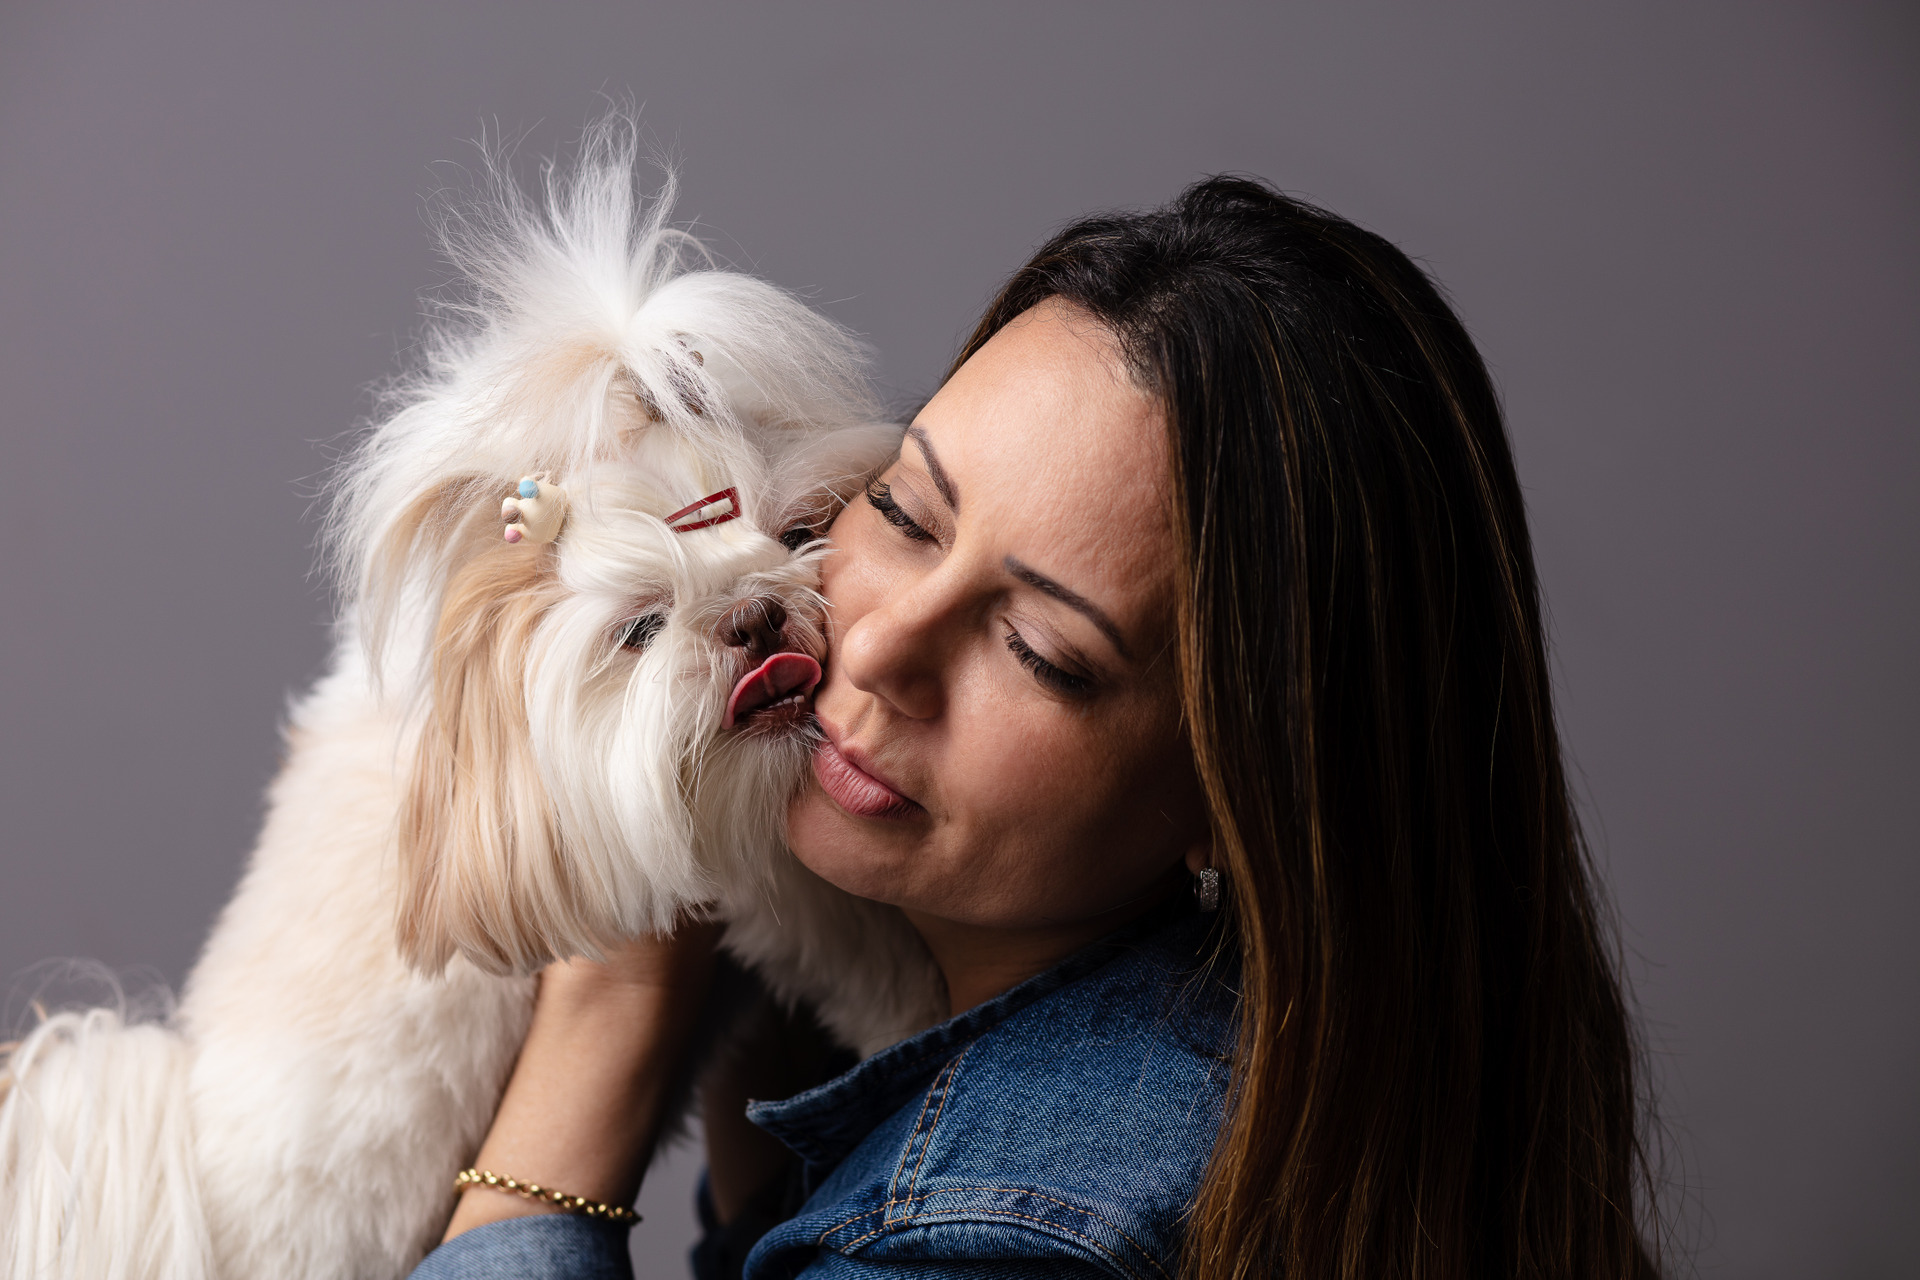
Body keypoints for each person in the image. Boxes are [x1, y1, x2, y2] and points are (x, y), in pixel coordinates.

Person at [412, 177, 1661, 1280]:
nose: (884, 647)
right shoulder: (1250, 1086)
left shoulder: (997, 1235)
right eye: (901, 510)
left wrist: (609, 1010)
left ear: (1235, 806)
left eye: (1040, 651)